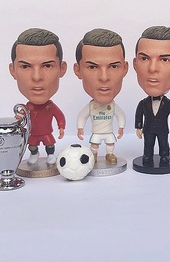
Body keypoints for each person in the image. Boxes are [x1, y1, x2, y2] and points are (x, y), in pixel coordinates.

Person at [9, 28, 67, 165]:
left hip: (47, 133)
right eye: (25, 67)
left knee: (49, 144)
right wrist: (18, 120)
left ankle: (50, 155)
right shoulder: (27, 108)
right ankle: (34, 154)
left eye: (47, 66)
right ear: (13, 71)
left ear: (62, 69)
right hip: (33, 134)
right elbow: (22, 116)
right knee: (33, 145)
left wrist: (61, 126)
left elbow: (59, 116)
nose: (37, 77)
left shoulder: (50, 107)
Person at [74, 29, 128, 164]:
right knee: (95, 144)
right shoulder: (91, 106)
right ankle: (94, 155)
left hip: (108, 131)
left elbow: (120, 115)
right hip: (96, 132)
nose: (104, 78)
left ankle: (109, 154)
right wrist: (80, 127)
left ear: (125, 69)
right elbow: (82, 116)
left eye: (113, 66)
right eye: (93, 67)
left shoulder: (113, 106)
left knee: (110, 143)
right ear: (78, 70)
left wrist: (121, 127)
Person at [133, 26, 170, 166]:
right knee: (148, 144)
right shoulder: (143, 103)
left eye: (164, 60)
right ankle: (147, 156)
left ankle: (164, 156)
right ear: (135, 64)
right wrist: (138, 127)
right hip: (148, 130)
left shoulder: (169, 104)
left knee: (164, 144)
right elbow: (139, 115)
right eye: (144, 58)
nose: (152, 68)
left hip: (163, 130)